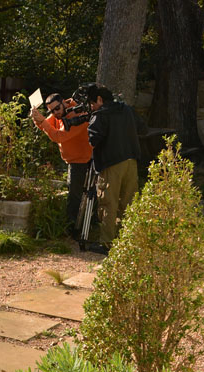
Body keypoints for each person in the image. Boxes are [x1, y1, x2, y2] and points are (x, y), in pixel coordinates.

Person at [85, 83, 144, 254]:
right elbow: (142, 128)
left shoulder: (100, 114)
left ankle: (107, 243)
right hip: (131, 161)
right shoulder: (126, 109)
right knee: (129, 202)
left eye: (92, 104)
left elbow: (94, 140)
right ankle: (129, 240)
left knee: (108, 203)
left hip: (111, 164)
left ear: (99, 99)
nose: (91, 107)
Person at [30, 93, 93, 238]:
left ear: (63, 102)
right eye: (51, 111)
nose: (55, 113)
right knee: (75, 194)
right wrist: (37, 119)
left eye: (57, 109)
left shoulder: (77, 116)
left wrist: (43, 122)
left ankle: (73, 229)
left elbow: (59, 136)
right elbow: (47, 126)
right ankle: (77, 226)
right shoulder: (60, 113)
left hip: (82, 160)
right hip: (73, 160)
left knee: (75, 196)